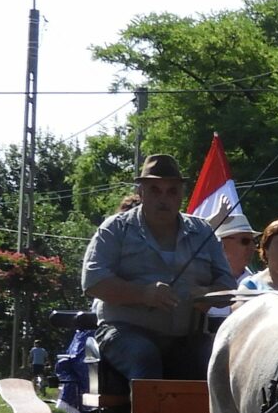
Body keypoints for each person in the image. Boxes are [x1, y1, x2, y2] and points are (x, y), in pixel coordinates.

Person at [80, 154, 240, 386]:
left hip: (188, 338)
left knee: (223, 362)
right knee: (144, 357)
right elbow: (93, 281)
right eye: (155, 190)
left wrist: (207, 294)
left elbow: (228, 287)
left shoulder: (203, 232)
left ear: (181, 195)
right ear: (141, 192)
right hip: (124, 332)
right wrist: (143, 294)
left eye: (171, 191)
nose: (163, 198)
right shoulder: (116, 229)